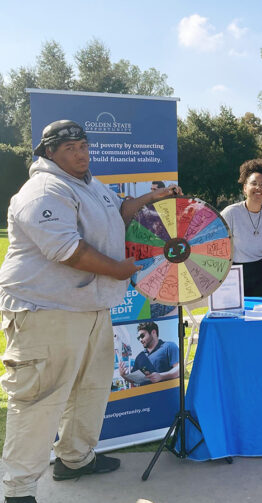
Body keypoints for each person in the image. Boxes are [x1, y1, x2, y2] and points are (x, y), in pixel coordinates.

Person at [0, 120, 182, 503]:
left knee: (91, 389)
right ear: (49, 154)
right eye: (69, 149)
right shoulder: (44, 190)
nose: (80, 153)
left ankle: (75, 459)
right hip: (45, 311)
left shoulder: (90, 185)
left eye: (83, 145)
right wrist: (124, 270)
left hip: (91, 308)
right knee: (39, 398)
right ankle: (18, 489)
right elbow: (69, 251)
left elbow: (121, 210)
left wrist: (155, 197)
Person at [221, 160, 262, 297]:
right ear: (245, 188)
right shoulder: (230, 213)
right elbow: (219, 252)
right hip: (234, 273)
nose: (259, 188)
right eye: (254, 183)